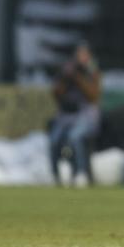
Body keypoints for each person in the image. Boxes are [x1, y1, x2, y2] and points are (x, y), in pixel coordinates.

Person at [49, 43, 102, 187]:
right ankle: (55, 175)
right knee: (54, 140)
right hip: (66, 115)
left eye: (84, 55)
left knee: (74, 137)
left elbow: (93, 95)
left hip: (86, 116)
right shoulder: (67, 71)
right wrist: (66, 78)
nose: (81, 58)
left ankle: (80, 173)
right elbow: (56, 93)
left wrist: (78, 78)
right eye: (79, 55)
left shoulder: (91, 72)